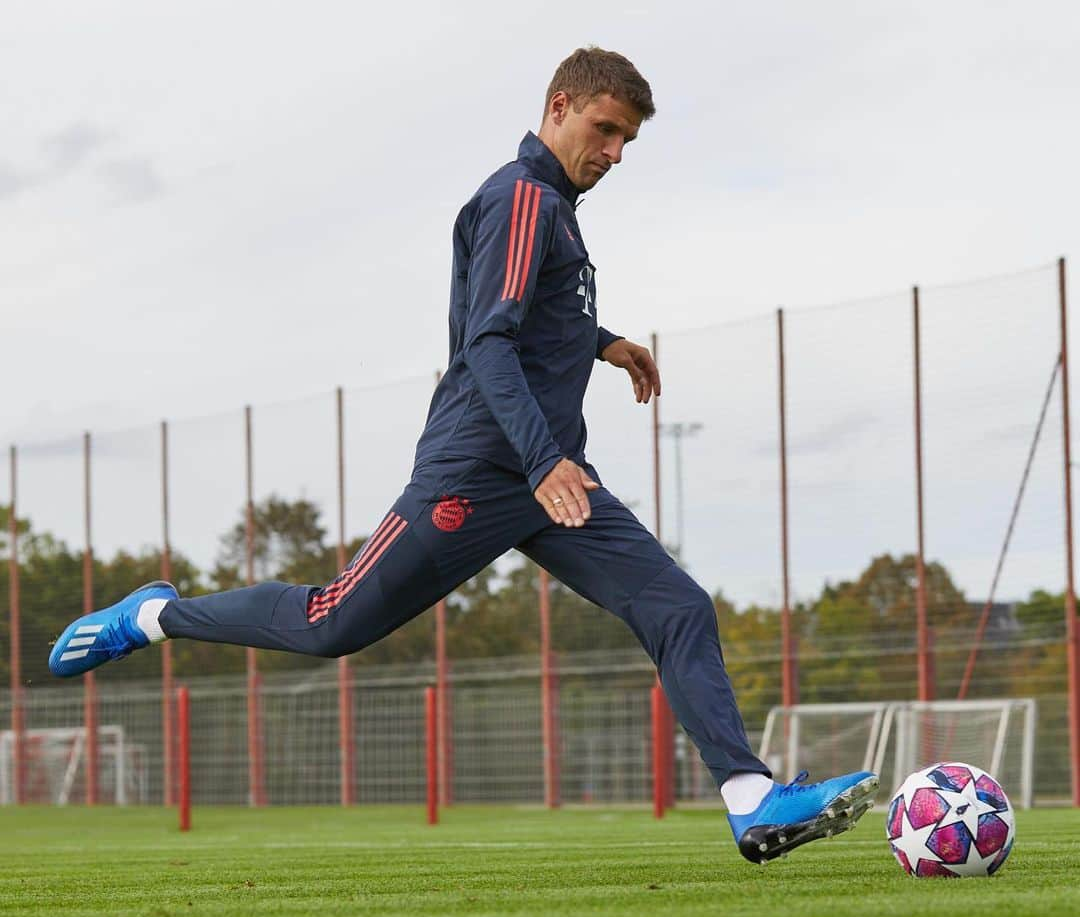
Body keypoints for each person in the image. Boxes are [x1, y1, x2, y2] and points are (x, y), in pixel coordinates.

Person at [48, 47, 877, 862]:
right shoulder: (519, 198)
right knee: (332, 623)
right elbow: (488, 341)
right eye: (605, 129)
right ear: (558, 108)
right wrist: (543, 457)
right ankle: (151, 616)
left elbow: (538, 315)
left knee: (678, 607)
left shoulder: (552, 208)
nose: (615, 153)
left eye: (628, 140)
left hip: (547, 477)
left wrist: (605, 342)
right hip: (480, 471)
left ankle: (751, 801)